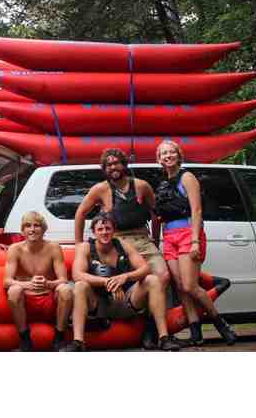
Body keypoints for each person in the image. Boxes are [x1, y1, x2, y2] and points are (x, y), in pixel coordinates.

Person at [74, 147, 170, 348]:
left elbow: (156, 213)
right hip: (117, 239)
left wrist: (155, 239)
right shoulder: (100, 189)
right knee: (119, 282)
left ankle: (151, 330)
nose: (113, 167)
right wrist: (78, 244)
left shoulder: (142, 185)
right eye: (108, 164)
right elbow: (80, 213)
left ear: (124, 164)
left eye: (116, 163)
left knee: (162, 277)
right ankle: (105, 320)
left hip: (142, 238)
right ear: (104, 168)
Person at [155, 140, 237, 345]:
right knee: (181, 287)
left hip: (188, 234)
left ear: (178, 155)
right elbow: (159, 216)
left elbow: (197, 210)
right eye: (164, 153)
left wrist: (194, 241)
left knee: (190, 285)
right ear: (159, 158)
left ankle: (222, 325)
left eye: (171, 152)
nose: (168, 156)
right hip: (169, 236)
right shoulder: (163, 183)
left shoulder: (187, 177)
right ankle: (195, 333)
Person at [65, 212, 183, 352]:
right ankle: (78, 341)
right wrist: (107, 282)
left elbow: (145, 268)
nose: (104, 232)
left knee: (153, 279)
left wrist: (125, 277)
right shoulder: (86, 247)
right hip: (98, 304)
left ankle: (164, 337)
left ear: (114, 230)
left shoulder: (123, 245)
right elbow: (77, 275)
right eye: (100, 229)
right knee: (80, 286)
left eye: (108, 228)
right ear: (94, 232)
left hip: (125, 301)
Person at [4, 211, 74, 351]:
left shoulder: (53, 247)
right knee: (14, 290)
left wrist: (48, 283)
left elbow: (63, 279)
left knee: (66, 290)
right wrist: (28, 284)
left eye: (36, 225)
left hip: (49, 299)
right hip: (25, 301)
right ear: (22, 230)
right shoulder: (15, 249)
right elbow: (7, 281)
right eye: (28, 226)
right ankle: (24, 339)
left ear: (43, 229)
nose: (32, 229)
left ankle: (59, 337)